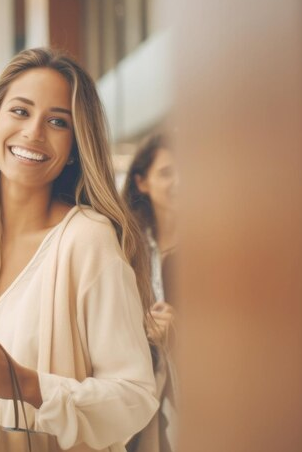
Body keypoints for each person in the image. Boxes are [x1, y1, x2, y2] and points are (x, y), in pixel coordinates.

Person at [0, 48, 158, 452]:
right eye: (21, 111)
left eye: (57, 121)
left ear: (74, 147)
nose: (33, 132)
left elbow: (134, 397)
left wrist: (29, 385)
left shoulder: (86, 241)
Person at [122, 134, 179, 452]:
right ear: (142, 182)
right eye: (167, 172)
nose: (182, 181)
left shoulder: (214, 242)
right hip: (136, 391)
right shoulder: (126, 245)